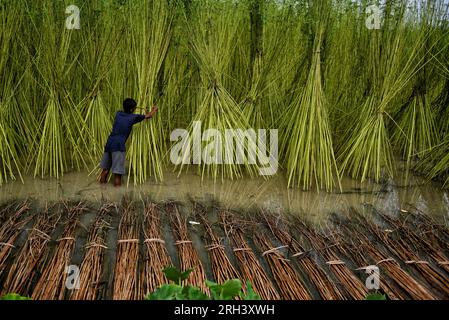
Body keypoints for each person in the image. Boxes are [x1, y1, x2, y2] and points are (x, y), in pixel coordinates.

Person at [99, 98, 158, 186]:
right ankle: (116, 195)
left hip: (109, 143)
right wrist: (154, 110)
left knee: (105, 169)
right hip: (118, 146)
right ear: (131, 109)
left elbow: (128, 113)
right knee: (117, 174)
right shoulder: (133, 117)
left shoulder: (118, 114)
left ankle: (102, 189)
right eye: (134, 108)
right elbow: (149, 116)